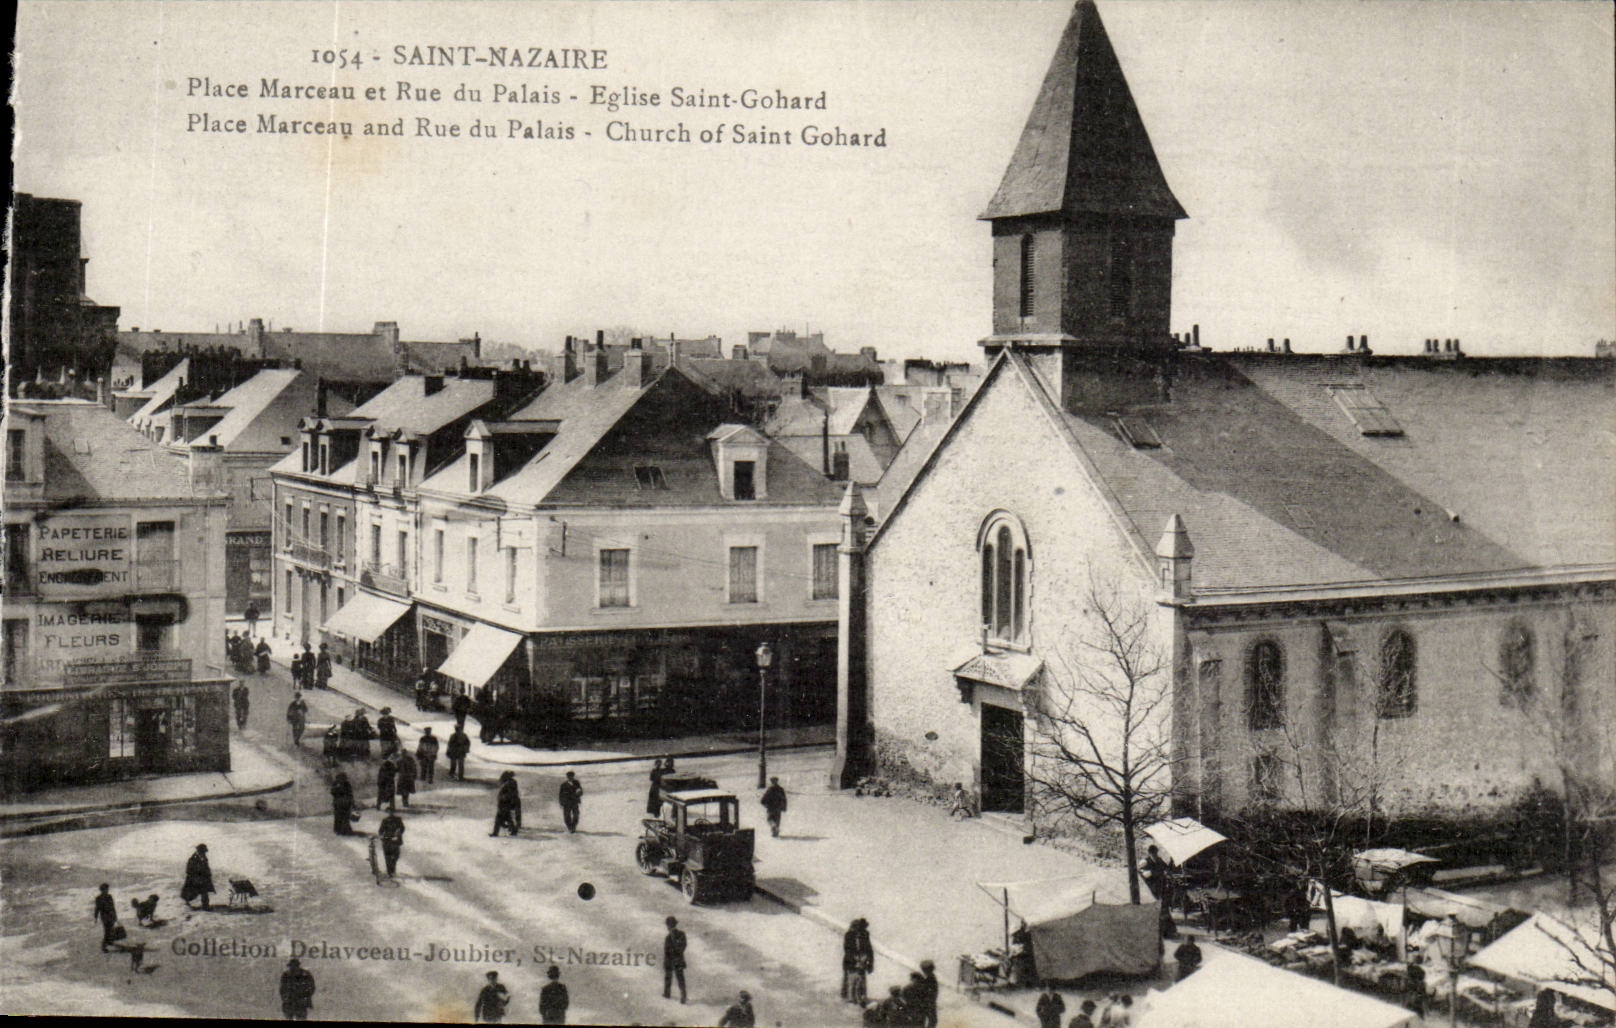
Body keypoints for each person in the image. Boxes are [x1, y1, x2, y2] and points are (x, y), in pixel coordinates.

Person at [842, 917, 873, 1004]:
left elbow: (869, 948)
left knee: (861, 978)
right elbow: (847, 949)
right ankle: (850, 996)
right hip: (851, 958)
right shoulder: (849, 935)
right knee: (851, 978)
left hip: (862, 958)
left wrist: (868, 961)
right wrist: (855, 959)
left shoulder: (865, 934)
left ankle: (860, 996)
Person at [180, 843, 215, 910]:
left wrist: (208, 874)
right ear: (199, 851)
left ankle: (205, 906)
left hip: (202, 878)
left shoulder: (204, 858)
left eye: (204, 852)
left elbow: (206, 867)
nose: (204, 853)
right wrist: (195, 877)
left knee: (204, 891)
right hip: (194, 879)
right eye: (203, 852)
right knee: (191, 892)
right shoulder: (193, 858)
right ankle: (187, 904)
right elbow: (188, 870)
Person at [662, 915, 687, 1003]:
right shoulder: (669, 937)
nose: (668, 927)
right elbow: (666, 951)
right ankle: (668, 994)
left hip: (676, 960)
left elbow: (682, 947)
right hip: (673, 960)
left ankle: (682, 996)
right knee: (672, 978)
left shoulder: (679, 935)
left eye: (668, 925)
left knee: (679, 978)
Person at [491, 770, 521, 836]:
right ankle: (513, 830)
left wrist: (503, 797)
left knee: (499, 817)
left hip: (505, 803)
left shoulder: (509, 783)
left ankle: (496, 833)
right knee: (506, 817)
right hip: (504, 803)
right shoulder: (509, 782)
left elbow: (510, 794)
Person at [378, 809, 405, 878]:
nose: (390, 813)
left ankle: (392, 869)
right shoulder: (385, 820)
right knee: (387, 857)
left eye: (392, 812)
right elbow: (380, 830)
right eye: (389, 812)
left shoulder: (398, 820)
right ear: (387, 812)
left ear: (394, 812)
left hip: (395, 840)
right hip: (387, 840)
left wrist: (399, 832)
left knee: (396, 856)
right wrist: (381, 836)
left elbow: (402, 828)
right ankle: (389, 872)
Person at [93, 883, 121, 952]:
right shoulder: (98, 898)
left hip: (111, 916)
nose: (107, 890)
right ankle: (103, 946)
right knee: (107, 931)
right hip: (105, 917)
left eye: (107, 889)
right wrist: (95, 917)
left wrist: (115, 916)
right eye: (106, 889)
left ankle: (109, 942)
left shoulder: (109, 896)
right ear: (102, 890)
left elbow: (113, 907)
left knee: (111, 930)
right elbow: (97, 908)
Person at [915, 959, 939, 1028]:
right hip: (929, 1003)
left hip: (927, 1002)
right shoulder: (931, 977)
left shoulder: (928, 978)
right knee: (932, 1020)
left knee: (929, 1020)